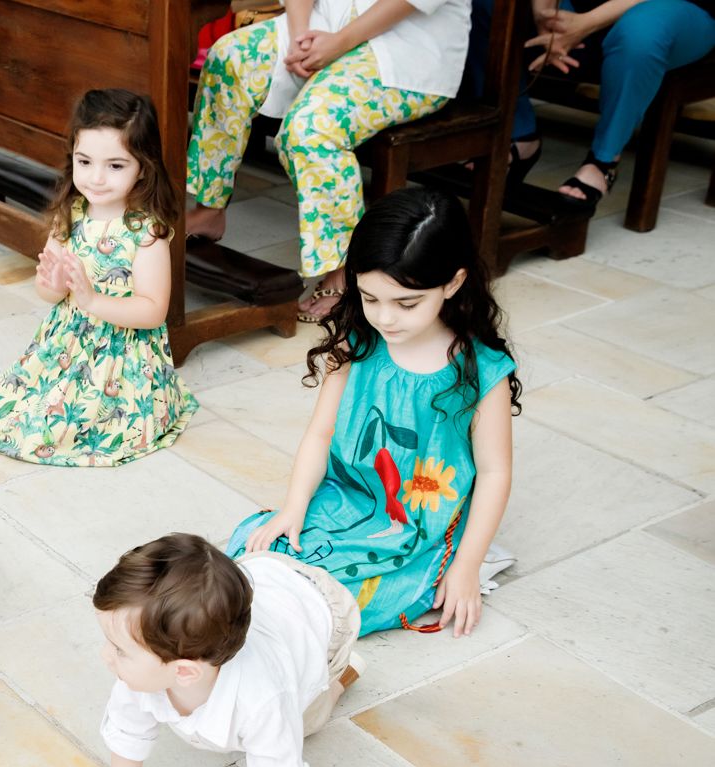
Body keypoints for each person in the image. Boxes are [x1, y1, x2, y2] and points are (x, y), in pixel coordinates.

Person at [228, 188, 519, 637]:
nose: (385, 318)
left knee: (350, 599)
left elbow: (496, 472)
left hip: (419, 526)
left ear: (453, 283)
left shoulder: (481, 373)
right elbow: (321, 434)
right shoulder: (357, 345)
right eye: (369, 298)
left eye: (406, 303)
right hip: (347, 497)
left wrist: (466, 566)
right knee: (254, 552)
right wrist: (295, 506)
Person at [62, 533, 365, 767]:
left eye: (119, 651)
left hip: (317, 612)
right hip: (258, 580)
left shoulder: (262, 701)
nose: (105, 656)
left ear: (184, 671)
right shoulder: (147, 674)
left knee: (303, 723)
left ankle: (345, 674)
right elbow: (128, 726)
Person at [186, 0, 470, 322]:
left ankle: (343, 267)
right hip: (320, 26)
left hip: (401, 49)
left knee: (312, 127)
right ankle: (209, 207)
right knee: (228, 58)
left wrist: (338, 44)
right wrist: (299, 35)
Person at [0, 88, 197, 466]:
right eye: (85, 161)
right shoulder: (71, 212)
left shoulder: (145, 232)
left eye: (116, 165)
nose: (96, 178)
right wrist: (53, 285)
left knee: (76, 424)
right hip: (66, 344)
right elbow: (47, 291)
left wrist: (93, 300)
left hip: (122, 356)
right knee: (16, 406)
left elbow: (154, 311)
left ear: (144, 166)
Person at [466, 0, 715, 207]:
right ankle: (519, 134)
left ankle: (603, 160)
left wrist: (586, 23)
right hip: (580, 9)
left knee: (642, 31)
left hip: (677, 11)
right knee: (488, 3)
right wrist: (545, 16)